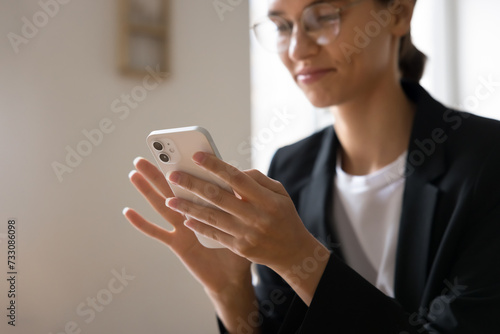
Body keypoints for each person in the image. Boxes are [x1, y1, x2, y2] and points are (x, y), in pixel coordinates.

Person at [123, 0, 500, 332]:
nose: (298, 48)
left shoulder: (488, 158)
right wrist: (230, 292)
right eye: (282, 26)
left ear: (399, 13)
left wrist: (301, 259)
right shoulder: (290, 168)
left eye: (322, 17)